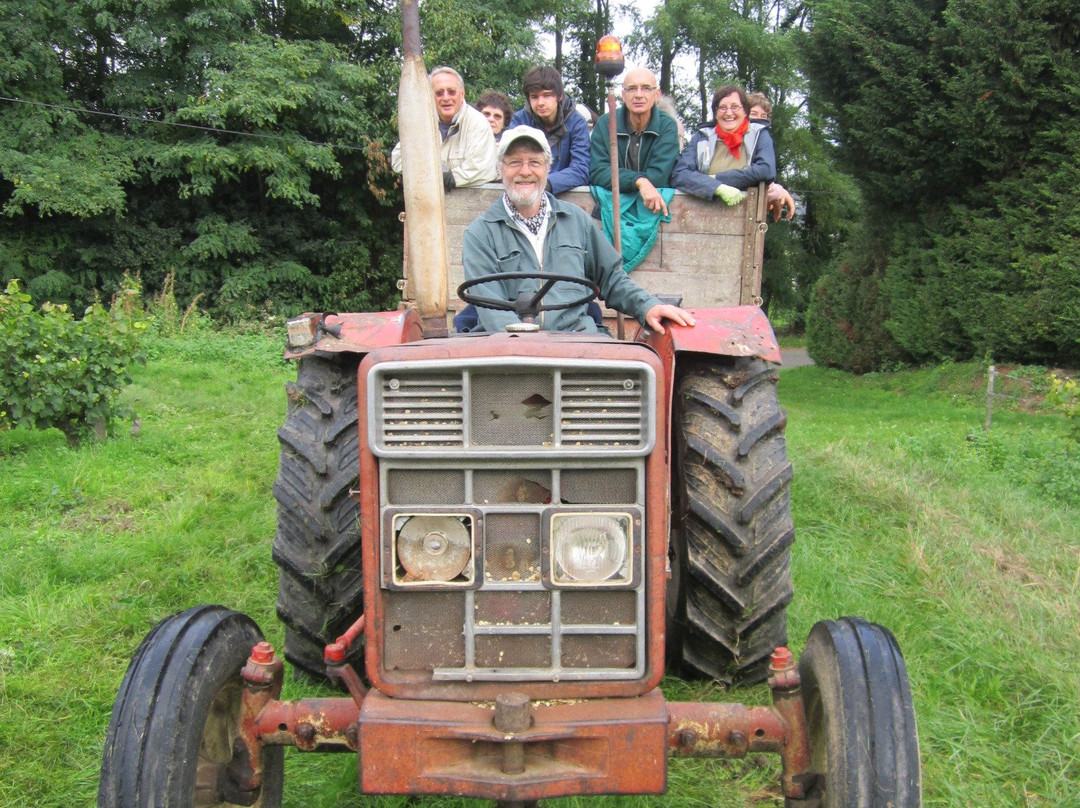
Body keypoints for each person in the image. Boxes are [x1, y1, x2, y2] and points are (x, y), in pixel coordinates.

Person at [460, 127, 695, 335]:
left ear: (547, 168)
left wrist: (648, 306)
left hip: (577, 340)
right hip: (511, 349)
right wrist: (526, 348)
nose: (525, 171)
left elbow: (611, 278)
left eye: (534, 162)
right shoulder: (481, 233)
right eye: (514, 162)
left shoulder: (575, 220)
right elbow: (492, 311)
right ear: (501, 168)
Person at [589, 68, 680, 217]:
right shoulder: (606, 123)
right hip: (609, 211)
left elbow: (660, 175)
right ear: (623, 95)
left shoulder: (667, 125)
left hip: (651, 212)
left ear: (656, 94)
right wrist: (639, 182)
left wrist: (625, 180)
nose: (638, 95)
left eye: (645, 88)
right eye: (632, 89)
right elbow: (598, 172)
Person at [391, 66, 498, 190]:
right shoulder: (420, 123)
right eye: (439, 93)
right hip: (427, 200)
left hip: (472, 202)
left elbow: (484, 168)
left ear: (462, 94)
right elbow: (398, 160)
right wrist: (431, 176)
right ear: (430, 96)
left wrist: (452, 177)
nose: (446, 98)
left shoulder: (478, 123)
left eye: (451, 91)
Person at [671, 84, 776, 202]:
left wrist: (716, 178)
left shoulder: (759, 134)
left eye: (735, 107)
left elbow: (766, 170)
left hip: (744, 212)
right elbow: (680, 174)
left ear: (745, 111)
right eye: (722, 107)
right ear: (715, 113)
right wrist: (716, 187)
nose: (729, 113)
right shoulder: (702, 137)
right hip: (701, 211)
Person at [506, 66, 591, 195]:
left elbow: (581, 169)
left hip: (565, 196)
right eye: (534, 97)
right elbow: (508, 161)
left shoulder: (577, 122)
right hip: (524, 193)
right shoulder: (520, 120)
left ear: (559, 96)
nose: (540, 102)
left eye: (546, 95)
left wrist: (546, 184)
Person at [747, 92, 796, 222]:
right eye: (753, 114)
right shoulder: (740, 139)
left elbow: (762, 175)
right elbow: (746, 176)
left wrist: (771, 192)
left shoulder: (762, 140)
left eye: (764, 116)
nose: (759, 120)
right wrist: (778, 192)